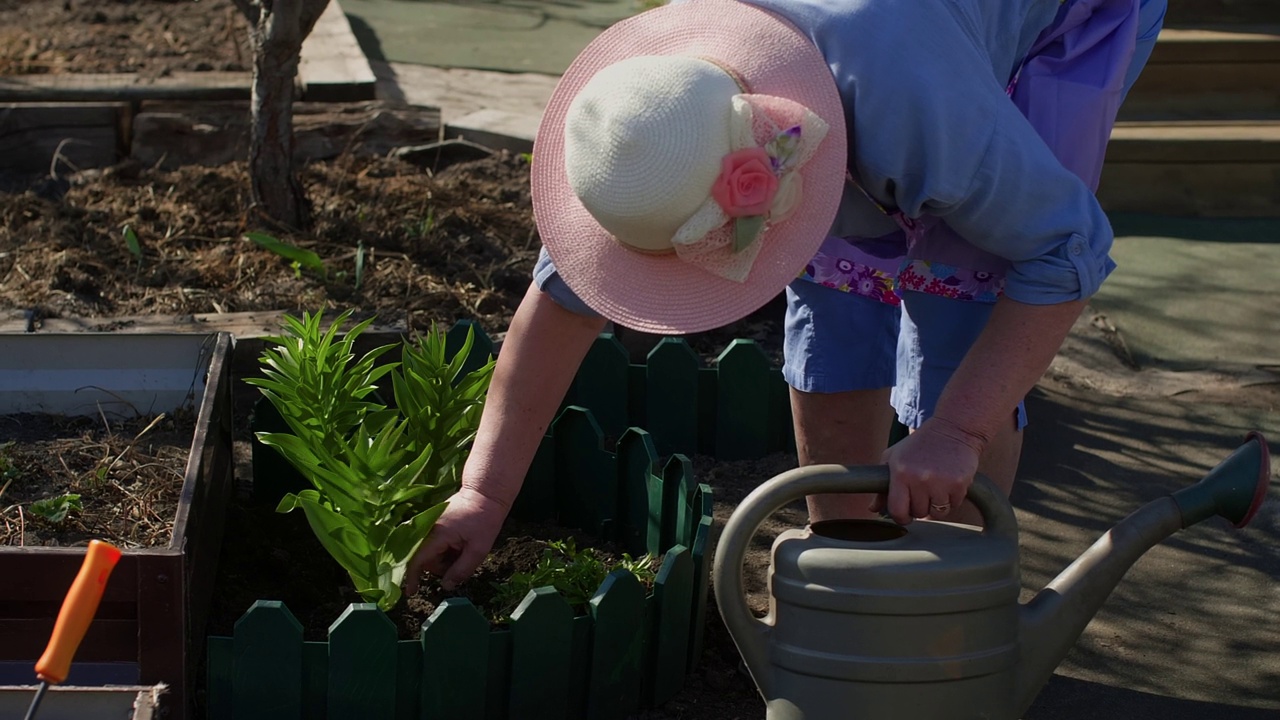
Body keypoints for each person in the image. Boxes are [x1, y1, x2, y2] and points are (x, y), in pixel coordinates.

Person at [405, 0, 1168, 594]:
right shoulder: (652, 118)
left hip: (1038, 29)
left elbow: (1064, 252)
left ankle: (948, 618)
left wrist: (957, 434)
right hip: (864, 62)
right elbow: (561, 303)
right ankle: (848, 574)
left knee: (963, 294)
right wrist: (481, 494)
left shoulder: (917, 115)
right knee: (833, 284)